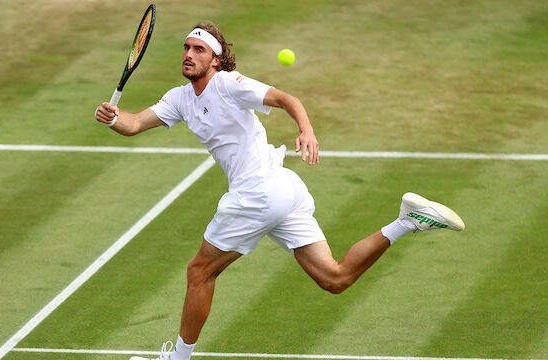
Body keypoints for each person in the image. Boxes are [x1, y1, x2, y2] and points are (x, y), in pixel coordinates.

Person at [94, 21, 465, 360]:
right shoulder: (179, 98)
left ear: (217, 60)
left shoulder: (229, 84)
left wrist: (306, 130)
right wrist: (114, 119)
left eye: (199, 49)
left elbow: (288, 99)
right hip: (284, 189)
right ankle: (407, 221)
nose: (189, 55)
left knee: (199, 272)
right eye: (186, 48)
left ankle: (177, 359)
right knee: (334, 279)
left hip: (257, 193)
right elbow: (135, 123)